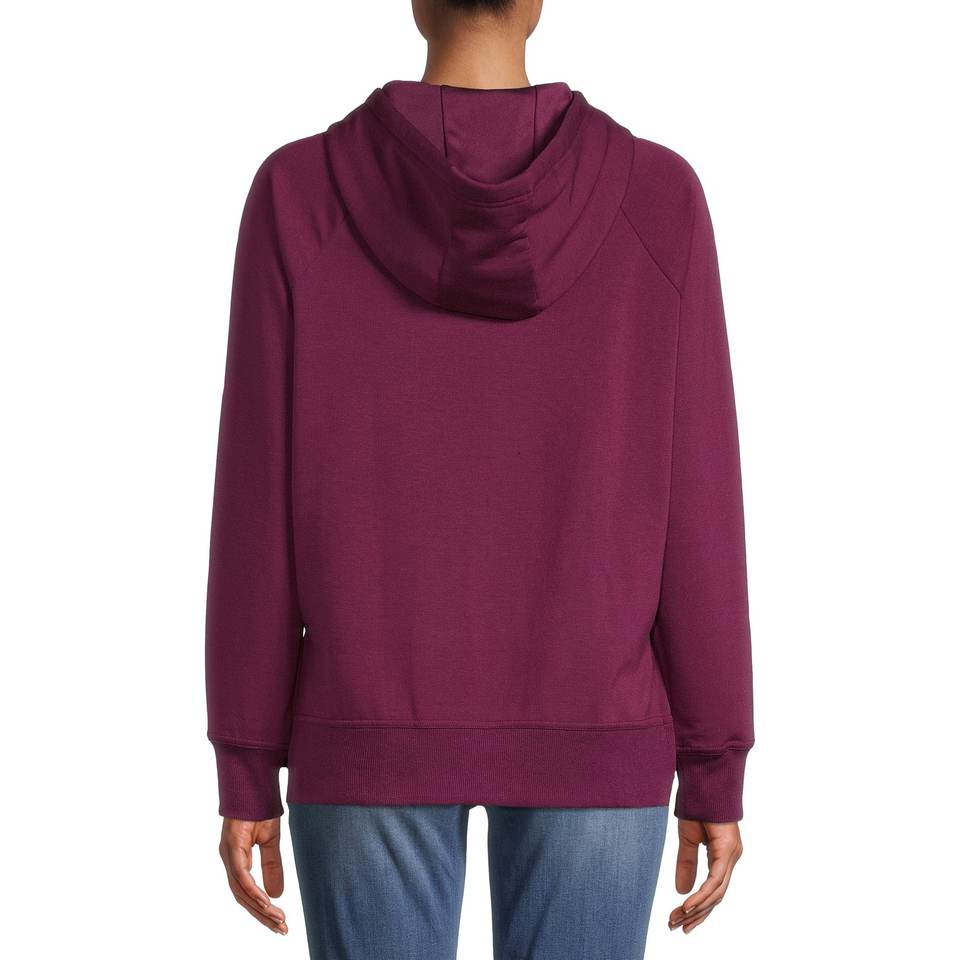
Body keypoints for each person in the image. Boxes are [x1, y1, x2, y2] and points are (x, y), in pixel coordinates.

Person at [204, 0, 755, 956]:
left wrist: (248, 756)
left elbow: (255, 502)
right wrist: (715, 759)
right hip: (597, 727)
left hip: (365, 725)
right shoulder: (660, 200)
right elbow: (700, 499)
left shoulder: (297, 196)